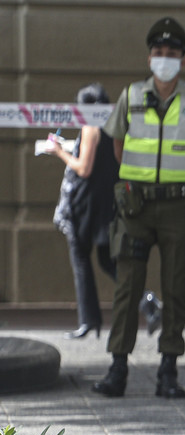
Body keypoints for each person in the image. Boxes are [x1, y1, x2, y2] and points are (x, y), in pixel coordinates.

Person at [92, 17, 185, 398]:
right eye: (159, 53)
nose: (165, 59)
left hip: (179, 207)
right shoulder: (130, 96)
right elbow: (118, 145)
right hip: (136, 207)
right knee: (127, 288)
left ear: (183, 59)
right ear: (150, 58)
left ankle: (169, 370)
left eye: (172, 54)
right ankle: (118, 369)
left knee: (175, 288)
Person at [44, 84, 118, 340]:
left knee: (81, 259)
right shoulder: (113, 126)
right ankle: (146, 298)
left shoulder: (90, 128)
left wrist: (59, 152)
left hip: (85, 205)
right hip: (106, 203)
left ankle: (89, 321)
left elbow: (83, 168)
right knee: (108, 260)